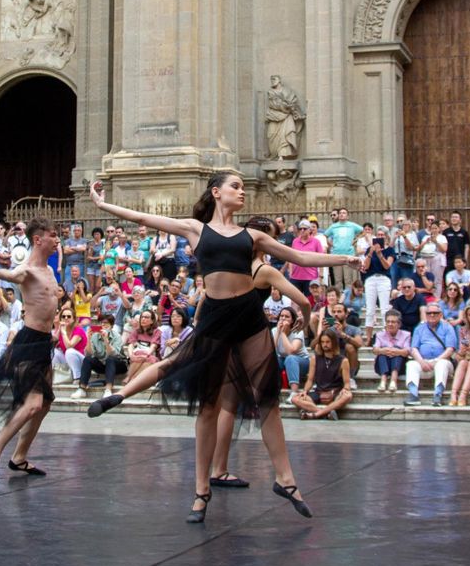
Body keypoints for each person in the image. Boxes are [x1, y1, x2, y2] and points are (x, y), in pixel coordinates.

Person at [89, 174, 353, 522]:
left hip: (248, 318)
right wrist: (101, 204)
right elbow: (141, 219)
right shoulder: (195, 229)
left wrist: (344, 260)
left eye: (244, 187)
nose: (242, 191)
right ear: (216, 192)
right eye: (235, 186)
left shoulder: (253, 236)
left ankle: (286, 480)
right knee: (207, 405)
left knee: (267, 401)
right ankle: (201, 489)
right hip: (215, 315)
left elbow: (300, 259)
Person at [0, 219, 60, 479]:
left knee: (44, 405)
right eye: (53, 236)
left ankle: (19, 457)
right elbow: (13, 275)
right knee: (32, 405)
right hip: (27, 343)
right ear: (38, 239)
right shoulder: (28, 269)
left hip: (44, 344)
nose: (57, 241)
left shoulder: (50, 272)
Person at [291, 329, 353, 420]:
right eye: (323, 342)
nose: (325, 344)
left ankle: (315, 414)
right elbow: (310, 380)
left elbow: (347, 382)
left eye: (328, 342)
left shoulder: (343, 360)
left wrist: (346, 389)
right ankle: (325, 413)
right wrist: (305, 391)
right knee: (295, 399)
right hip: (318, 392)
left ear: (333, 342)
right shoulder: (314, 359)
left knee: (348, 395)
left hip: (335, 393)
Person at [405, 300, 457, 407]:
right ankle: (413, 395)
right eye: (429, 313)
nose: (432, 315)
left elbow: (450, 349)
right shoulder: (419, 328)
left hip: (443, 360)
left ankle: (438, 394)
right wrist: (421, 361)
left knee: (441, 364)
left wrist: (436, 361)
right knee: (411, 365)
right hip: (424, 362)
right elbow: (414, 348)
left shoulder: (448, 327)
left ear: (441, 314)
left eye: (435, 313)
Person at [371, 309, 410, 393]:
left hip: (400, 366)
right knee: (382, 354)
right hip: (382, 364)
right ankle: (383, 380)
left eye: (393, 322)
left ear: (399, 324)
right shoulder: (379, 335)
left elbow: (407, 351)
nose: (390, 324)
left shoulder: (406, 335)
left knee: (398, 351)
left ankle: (393, 380)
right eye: (388, 322)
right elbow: (375, 350)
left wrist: (396, 351)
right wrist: (384, 350)